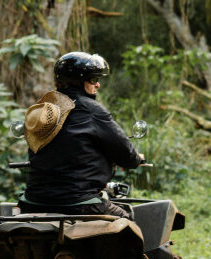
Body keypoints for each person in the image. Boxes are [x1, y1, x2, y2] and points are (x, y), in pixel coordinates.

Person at [19, 52, 144, 218]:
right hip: (78, 203)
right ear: (78, 82)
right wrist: (136, 159)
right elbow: (124, 152)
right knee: (127, 221)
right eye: (93, 79)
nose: (97, 84)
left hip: (33, 202)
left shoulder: (44, 113)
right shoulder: (92, 110)